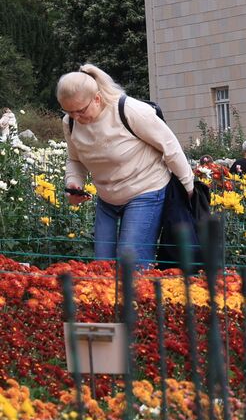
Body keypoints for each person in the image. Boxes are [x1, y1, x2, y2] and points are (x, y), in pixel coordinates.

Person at [58, 64, 195, 269]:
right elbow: (75, 160)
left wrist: (188, 188)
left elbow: (170, 146)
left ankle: (140, 300)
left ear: (97, 98)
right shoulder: (69, 123)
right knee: (101, 266)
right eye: (69, 111)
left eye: (80, 110)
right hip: (107, 198)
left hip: (145, 190)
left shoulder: (129, 110)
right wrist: (74, 184)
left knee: (131, 261)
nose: (76, 117)